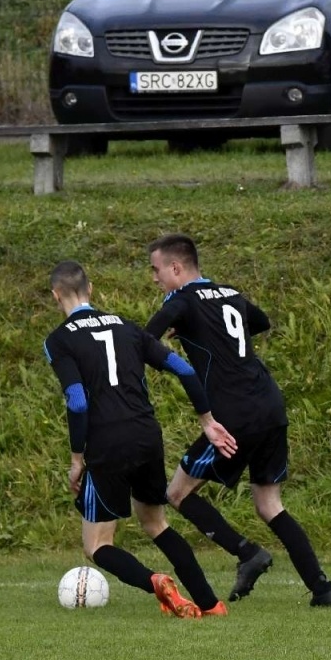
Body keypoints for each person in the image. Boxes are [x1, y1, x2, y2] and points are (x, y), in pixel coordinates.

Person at [145, 234, 331, 608]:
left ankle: (247, 552)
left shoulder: (180, 300)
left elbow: (144, 340)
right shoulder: (229, 293)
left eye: (156, 271)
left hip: (233, 414)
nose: (154, 279)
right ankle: (323, 590)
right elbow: (261, 321)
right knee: (269, 504)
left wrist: (178, 337)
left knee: (177, 493)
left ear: (175, 268)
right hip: (269, 404)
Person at [43, 260, 237, 618]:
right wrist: (207, 420)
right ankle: (210, 603)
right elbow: (184, 369)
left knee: (97, 545)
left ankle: (156, 582)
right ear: (92, 289)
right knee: (155, 523)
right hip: (147, 435)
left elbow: (78, 400)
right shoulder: (127, 327)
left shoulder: (59, 340)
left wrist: (76, 459)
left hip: (107, 442)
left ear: (56, 295)